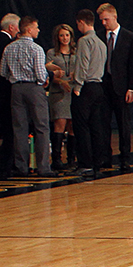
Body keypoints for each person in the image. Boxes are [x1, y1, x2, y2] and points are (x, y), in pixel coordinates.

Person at [0, 16, 54, 178]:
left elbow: (2, 72)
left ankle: (21, 166)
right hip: (34, 89)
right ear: (29, 29)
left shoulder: (9, 48)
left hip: (16, 88)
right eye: (36, 27)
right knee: (41, 127)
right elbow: (40, 73)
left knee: (19, 129)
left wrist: (14, 77)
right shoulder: (36, 49)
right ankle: (43, 167)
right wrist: (43, 80)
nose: (38, 30)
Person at [97, 4, 133, 171]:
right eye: (101, 20)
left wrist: (132, 88)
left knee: (123, 124)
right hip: (103, 86)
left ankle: (125, 157)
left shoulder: (129, 37)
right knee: (103, 124)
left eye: (106, 19)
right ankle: (105, 157)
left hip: (121, 87)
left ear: (115, 17)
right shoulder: (99, 36)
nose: (104, 23)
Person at [69, 10, 111, 179]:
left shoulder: (84, 41)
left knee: (81, 126)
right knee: (96, 126)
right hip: (98, 87)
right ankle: (97, 161)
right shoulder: (101, 43)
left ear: (81, 22)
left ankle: (85, 163)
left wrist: (77, 85)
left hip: (86, 88)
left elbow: (82, 64)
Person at [0, 14, 21, 178]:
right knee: (9, 130)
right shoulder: (11, 46)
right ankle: (5, 165)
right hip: (5, 94)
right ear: (12, 28)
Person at [45, 24, 75, 171]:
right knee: (60, 123)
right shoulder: (52, 53)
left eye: (67, 35)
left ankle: (71, 159)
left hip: (73, 91)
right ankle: (56, 159)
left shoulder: (76, 52)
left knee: (72, 126)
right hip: (59, 92)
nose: (65, 38)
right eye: (62, 35)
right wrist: (59, 80)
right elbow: (48, 73)